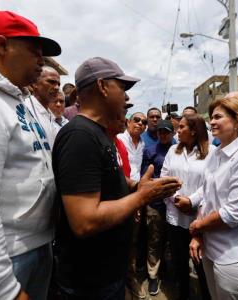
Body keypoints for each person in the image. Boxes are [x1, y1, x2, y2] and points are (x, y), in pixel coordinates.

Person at [52, 57, 181, 299]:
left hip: (107, 273)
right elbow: (84, 221)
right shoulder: (80, 136)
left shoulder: (99, 135)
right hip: (89, 283)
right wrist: (143, 196)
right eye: (122, 88)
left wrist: (134, 186)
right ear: (102, 87)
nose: (127, 98)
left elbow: (105, 185)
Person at [0, 10, 61, 300]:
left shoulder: (21, 99)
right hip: (7, 258)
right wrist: (3, 289)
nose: (41, 61)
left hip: (36, 245)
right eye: (34, 51)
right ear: (4, 45)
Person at [189, 96, 238, 300]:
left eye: (218, 117)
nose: (211, 121)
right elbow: (206, 198)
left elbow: (233, 214)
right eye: (211, 117)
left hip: (235, 258)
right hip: (211, 250)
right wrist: (198, 236)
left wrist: (197, 227)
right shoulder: (216, 154)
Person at [161, 115, 214, 300]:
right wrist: (178, 199)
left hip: (199, 220)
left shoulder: (212, 153)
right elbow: (164, 177)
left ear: (193, 131)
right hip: (175, 217)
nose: (177, 130)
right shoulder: (172, 151)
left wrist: (191, 201)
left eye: (181, 127)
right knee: (180, 263)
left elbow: (211, 184)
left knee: (202, 266)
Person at [140, 119, 175, 296]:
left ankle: (169, 270)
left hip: (176, 204)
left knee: (173, 240)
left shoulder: (179, 149)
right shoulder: (150, 151)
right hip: (156, 204)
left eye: (167, 132)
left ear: (172, 133)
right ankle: (153, 275)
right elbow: (145, 179)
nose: (163, 135)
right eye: (161, 132)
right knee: (154, 239)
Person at [118, 112, 147, 298]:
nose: (140, 123)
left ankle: (130, 277)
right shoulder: (119, 139)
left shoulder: (142, 143)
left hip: (137, 194)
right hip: (121, 194)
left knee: (133, 238)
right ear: (128, 122)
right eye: (136, 119)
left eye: (143, 122)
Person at [26, 65, 61, 147]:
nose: (57, 87)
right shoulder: (25, 109)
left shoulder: (51, 117)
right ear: (35, 84)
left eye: (58, 84)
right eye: (51, 82)